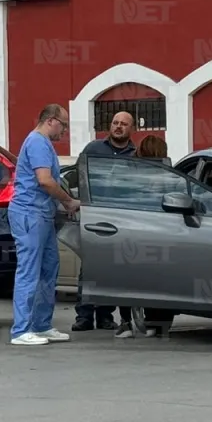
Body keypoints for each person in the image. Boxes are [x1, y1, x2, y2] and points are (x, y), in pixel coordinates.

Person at [8, 104, 79, 346]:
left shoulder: (41, 142)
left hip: (41, 215)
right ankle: (21, 330)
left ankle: (42, 325)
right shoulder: (38, 142)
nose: (65, 131)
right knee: (29, 270)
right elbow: (45, 181)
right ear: (51, 120)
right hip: (30, 214)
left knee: (49, 268)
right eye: (64, 125)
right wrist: (68, 201)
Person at [73, 111, 136, 335]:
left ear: (132, 129)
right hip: (95, 216)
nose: (118, 127)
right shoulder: (93, 149)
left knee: (115, 267)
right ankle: (84, 316)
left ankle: (106, 316)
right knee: (90, 267)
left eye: (124, 124)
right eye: (115, 123)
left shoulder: (136, 155)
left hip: (123, 218)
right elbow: (79, 176)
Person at [120, 133, 171, 339]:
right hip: (161, 234)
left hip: (132, 233)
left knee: (127, 279)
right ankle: (157, 324)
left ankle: (126, 323)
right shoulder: (169, 176)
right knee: (160, 280)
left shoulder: (130, 176)